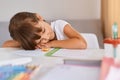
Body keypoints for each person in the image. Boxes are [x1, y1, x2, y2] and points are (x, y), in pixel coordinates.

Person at [2, 12, 87, 50]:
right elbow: (5, 45)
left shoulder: (59, 26)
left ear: (39, 17)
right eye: (40, 40)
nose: (46, 38)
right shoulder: (34, 42)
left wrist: (51, 44)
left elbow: (82, 43)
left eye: (43, 31)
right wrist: (29, 43)